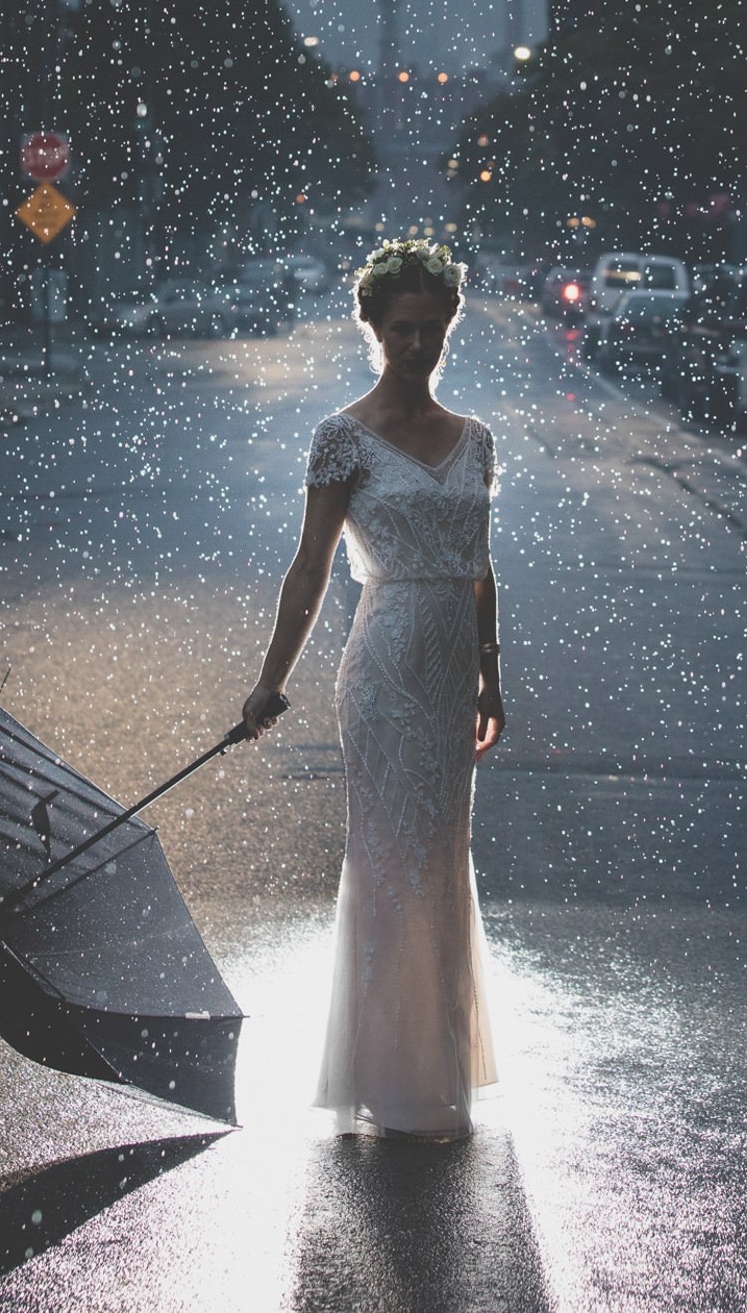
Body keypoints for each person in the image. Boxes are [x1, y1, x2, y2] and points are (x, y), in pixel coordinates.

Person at [241, 237, 504, 1140]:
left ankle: (435, 1067)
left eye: (432, 329)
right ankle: (386, 1077)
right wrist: (268, 684)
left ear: (448, 329)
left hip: (450, 671)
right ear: (373, 329)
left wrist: (490, 676)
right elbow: (310, 570)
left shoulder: (475, 440)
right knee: (392, 857)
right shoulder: (340, 438)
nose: (419, 345)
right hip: (385, 664)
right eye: (402, 330)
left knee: (440, 859)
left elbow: (479, 566)